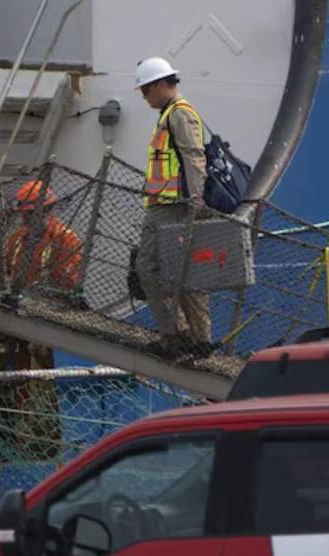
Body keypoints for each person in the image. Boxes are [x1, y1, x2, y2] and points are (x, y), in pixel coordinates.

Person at [134, 56, 213, 358]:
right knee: (185, 272)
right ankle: (195, 339)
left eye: (145, 90)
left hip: (172, 208)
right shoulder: (170, 114)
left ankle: (177, 335)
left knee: (148, 267)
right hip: (169, 205)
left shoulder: (179, 115)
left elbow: (195, 157)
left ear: (159, 85)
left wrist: (196, 200)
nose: (144, 96)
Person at [0, 179, 82, 293]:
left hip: (47, 300)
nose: (24, 217)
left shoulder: (65, 239)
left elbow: (66, 281)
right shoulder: (19, 236)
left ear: (46, 210)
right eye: (23, 212)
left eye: (29, 212)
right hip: (18, 295)